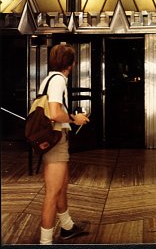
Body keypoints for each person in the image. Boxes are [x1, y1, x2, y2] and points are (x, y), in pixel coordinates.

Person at [39, 43, 89, 245]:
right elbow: (54, 113)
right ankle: (45, 242)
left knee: (61, 186)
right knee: (52, 193)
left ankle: (67, 227)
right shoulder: (58, 81)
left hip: (55, 138)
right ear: (71, 63)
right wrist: (75, 119)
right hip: (56, 139)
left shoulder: (49, 79)